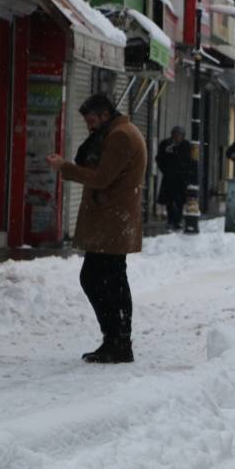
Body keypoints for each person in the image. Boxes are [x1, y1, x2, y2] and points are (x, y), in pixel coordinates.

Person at [45, 94, 147, 364]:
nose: (89, 126)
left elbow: (102, 178)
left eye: (91, 120)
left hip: (112, 221)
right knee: (106, 278)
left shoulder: (121, 136)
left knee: (102, 279)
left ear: (104, 115)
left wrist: (64, 168)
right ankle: (115, 340)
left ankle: (118, 340)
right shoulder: (119, 131)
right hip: (112, 220)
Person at [156, 126, 193, 230]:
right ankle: (170, 219)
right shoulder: (166, 144)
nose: (177, 137)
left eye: (179, 135)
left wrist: (186, 172)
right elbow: (160, 158)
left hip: (181, 178)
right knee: (169, 200)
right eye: (175, 134)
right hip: (169, 177)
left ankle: (178, 220)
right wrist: (165, 170)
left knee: (179, 200)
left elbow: (189, 160)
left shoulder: (186, 145)